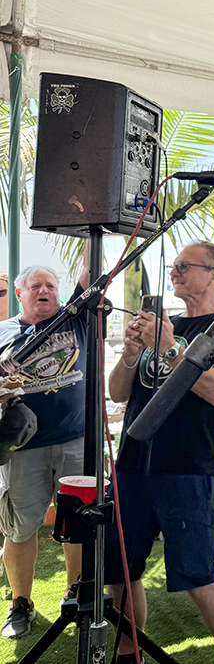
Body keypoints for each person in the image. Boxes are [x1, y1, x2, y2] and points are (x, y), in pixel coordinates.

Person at [106, 241, 214, 664]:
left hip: (188, 468)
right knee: (120, 571)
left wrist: (169, 347)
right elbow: (118, 393)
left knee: (198, 576)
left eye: (185, 265)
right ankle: (129, 652)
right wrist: (131, 354)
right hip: (132, 465)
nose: (174, 272)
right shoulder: (164, 324)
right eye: (175, 265)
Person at [0, 258, 90, 639]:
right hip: (23, 448)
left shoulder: (75, 319)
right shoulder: (4, 332)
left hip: (76, 441)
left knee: (79, 525)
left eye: (50, 286)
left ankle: (76, 592)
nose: (44, 291)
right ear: (19, 294)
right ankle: (21, 603)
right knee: (20, 529)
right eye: (35, 286)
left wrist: (90, 230)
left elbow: (91, 272)